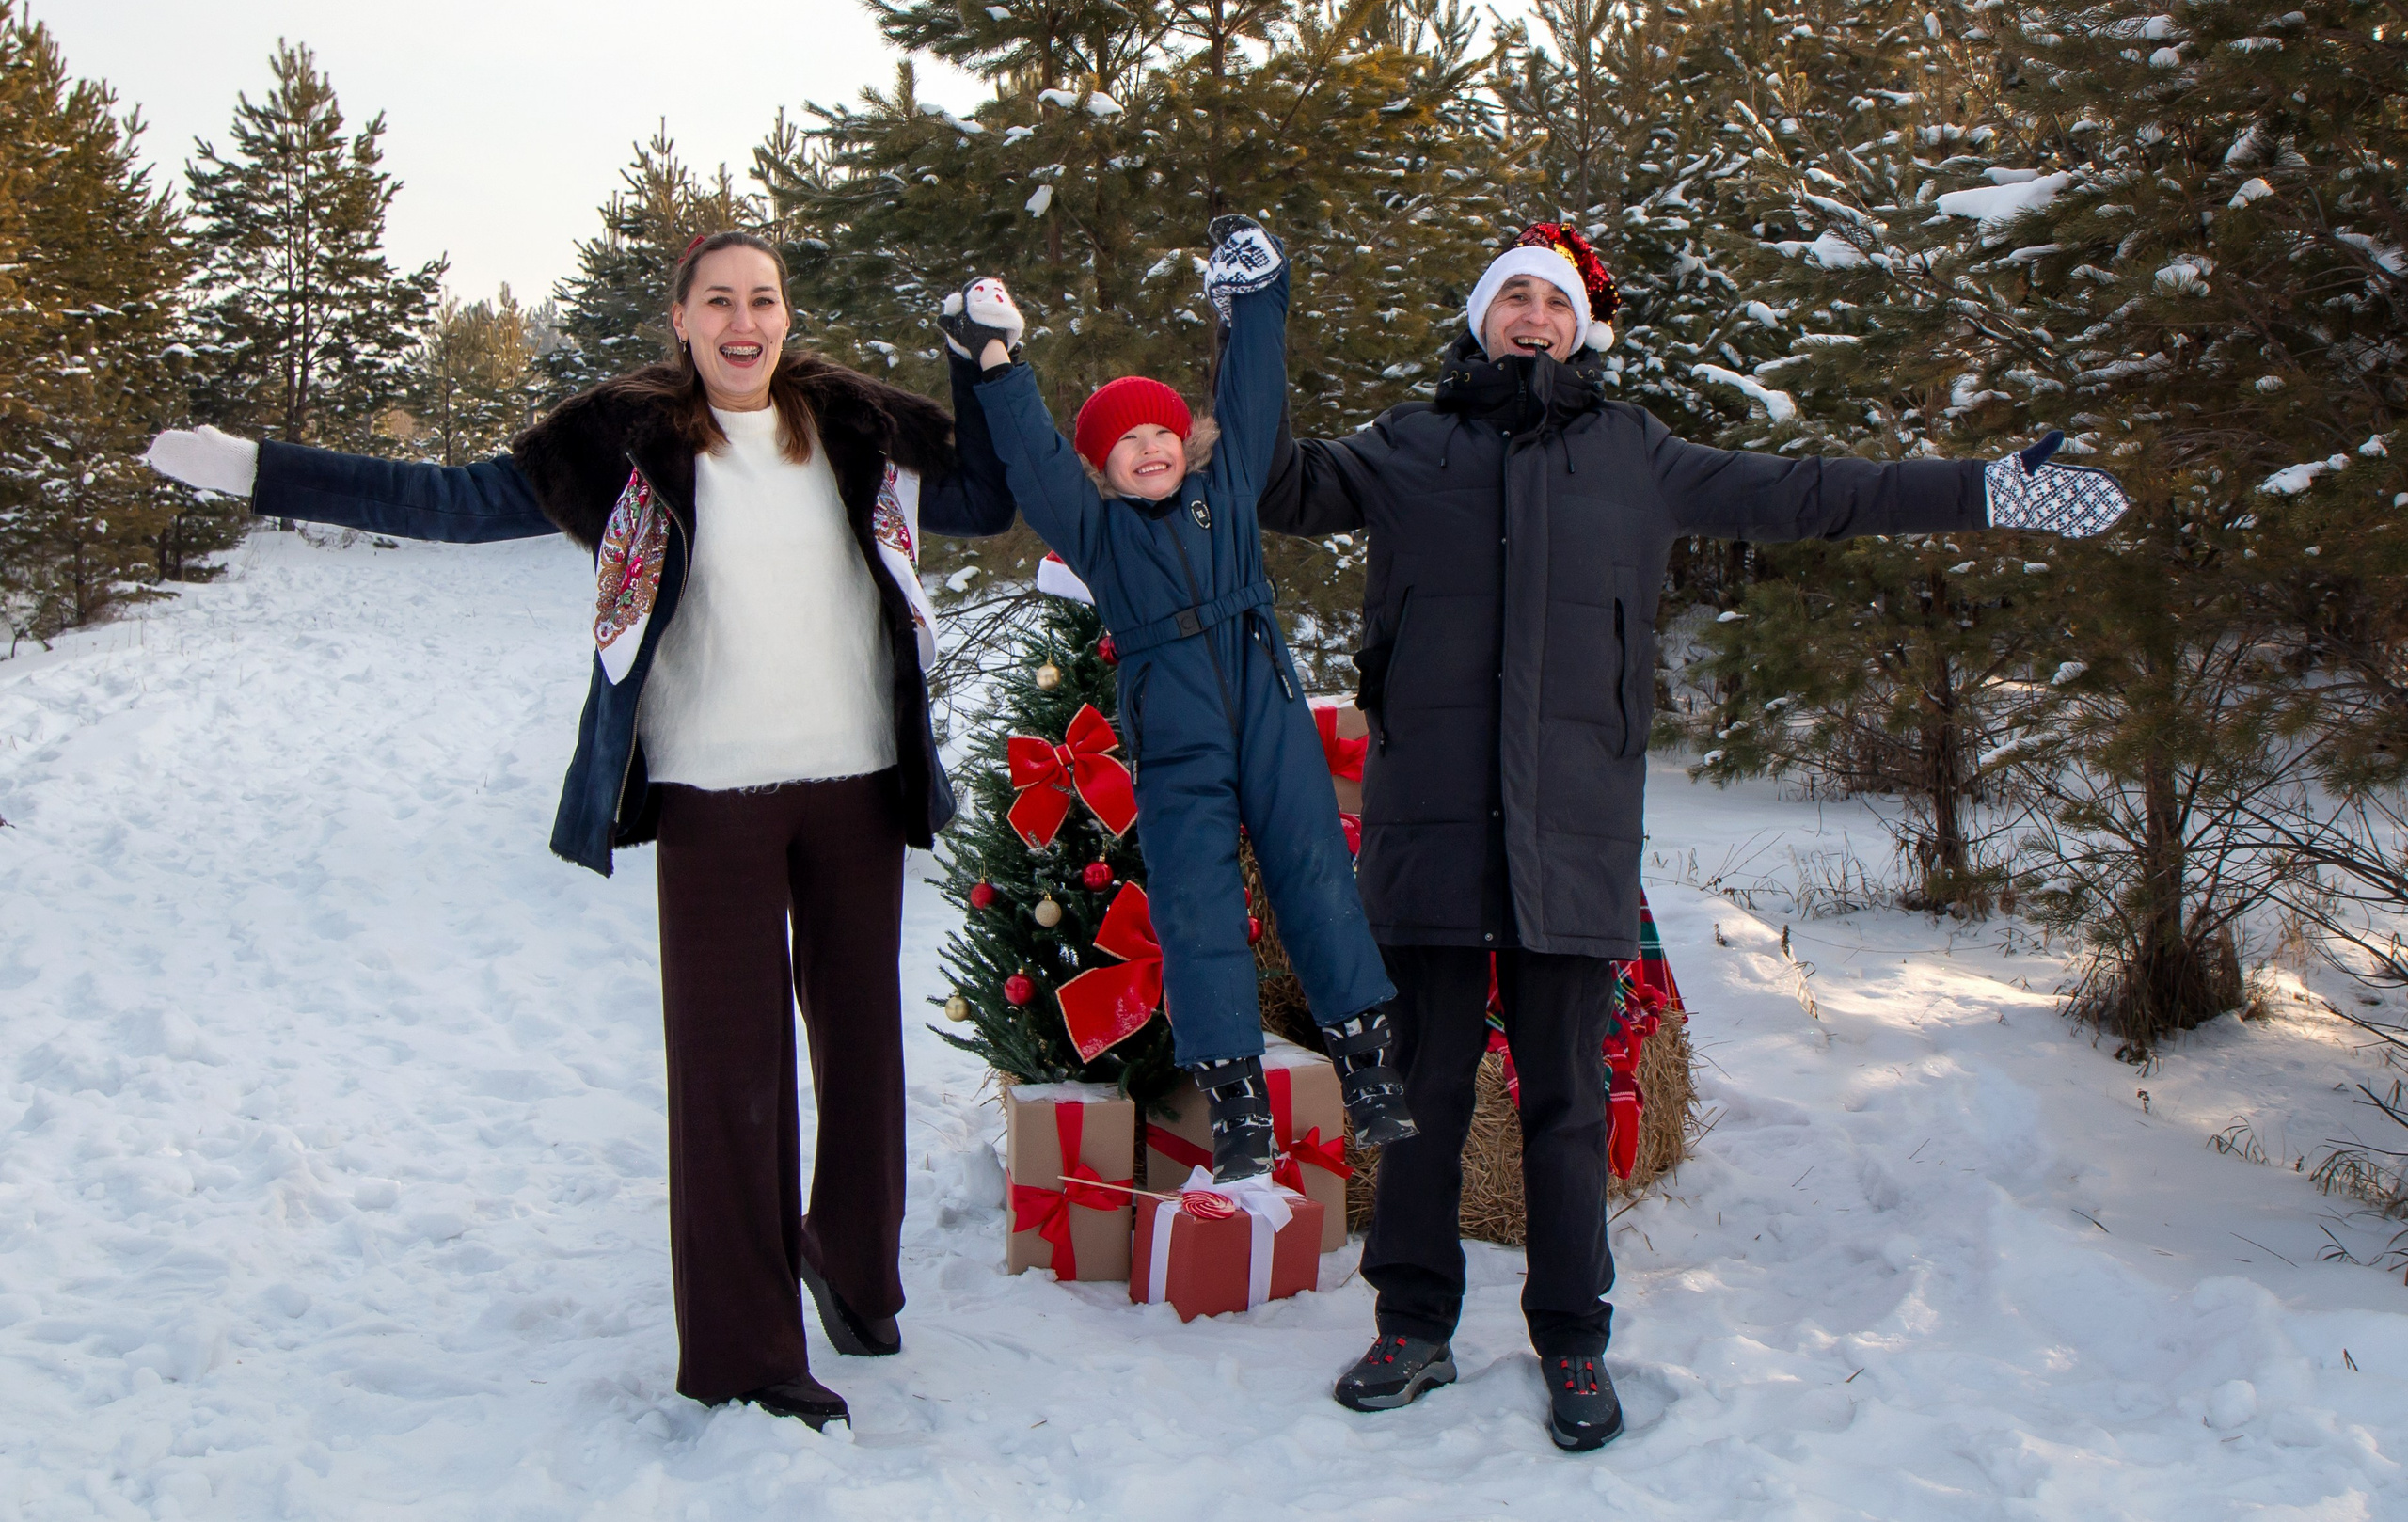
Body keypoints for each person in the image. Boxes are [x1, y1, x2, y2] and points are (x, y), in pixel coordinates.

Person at [1257, 221, 2129, 1451]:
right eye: (1510, 298)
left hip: (1574, 824)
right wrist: (1247, 338)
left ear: (1581, 325)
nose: (1531, 317)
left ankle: (1572, 1339)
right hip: (1432, 826)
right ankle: (1414, 1323)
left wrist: (1986, 487)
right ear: (1477, 317)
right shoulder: (1408, 447)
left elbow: (1818, 491)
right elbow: (1275, 480)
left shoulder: (1635, 455)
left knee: (1565, 1097)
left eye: (1551, 301)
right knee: (1422, 1092)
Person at [141, 230, 1017, 1432]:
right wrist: (265, 472)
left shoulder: (856, 426)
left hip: (859, 784)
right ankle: (746, 1355)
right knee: (731, 1082)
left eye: (761, 298)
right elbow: (450, 502)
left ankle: (855, 1273)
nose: (742, 320)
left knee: (863, 1054)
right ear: (681, 319)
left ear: (786, 313)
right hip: (713, 794)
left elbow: (986, 492)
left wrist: (983, 363)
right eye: (718, 301)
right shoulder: (622, 441)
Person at [937, 217, 1418, 1180]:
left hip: (1263, 696)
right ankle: (1235, 1100)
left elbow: (1251, 395)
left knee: (1313, 871)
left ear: (1185, 441)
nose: (1149, 448)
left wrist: (1257, 299)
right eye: (1125, 443)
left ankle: (1367, 1070)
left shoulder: (1226, 488)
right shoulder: (1099, 535)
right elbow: (1031, 461)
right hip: (1175, 727)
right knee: (1195, 904)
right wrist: (997, 368)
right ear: (1103, 468)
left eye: (1161, 430)